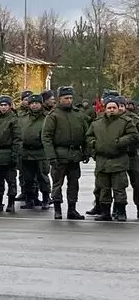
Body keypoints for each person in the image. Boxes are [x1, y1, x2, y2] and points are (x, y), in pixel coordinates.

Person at [85, 95, 138, 221]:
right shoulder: (97, 123)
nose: (112, 110)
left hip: (119, 159)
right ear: (105, 109)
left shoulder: (126, 122)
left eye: (114, 107)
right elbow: (88, 136)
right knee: (104, 189)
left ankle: (120, 212)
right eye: (109, 107)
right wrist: (94, 144)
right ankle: (105, 212)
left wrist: (120, 142)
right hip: (102, 161)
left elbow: (133, 135)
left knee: (119, 188)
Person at [42, 86, 89, 220]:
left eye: (70, 98)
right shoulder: (53, 115)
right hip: (59, 154)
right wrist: (51, 155)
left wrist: (86, 152)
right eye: (66, 98)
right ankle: (57, 209)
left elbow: (86, 134)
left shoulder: (78, 114)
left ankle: (72, 209)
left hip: (74, 155)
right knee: (57, 184)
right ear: (59, 99)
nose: (69, 101)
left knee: (74, 183)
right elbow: (47, 137)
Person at [0, 95, 22, 213]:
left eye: (5, 105)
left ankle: (11, 202)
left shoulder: (13, 120)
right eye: (1, 105)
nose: (3, 108)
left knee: (11, 181)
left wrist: (14, 155)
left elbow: (17, 139)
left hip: (8, 152)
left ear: (10, 106)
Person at [19, 94, 51, 210]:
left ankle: (46, 198)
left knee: (42, 177)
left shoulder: (47, 117)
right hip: (25, 152)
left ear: (41, 104)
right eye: (32, 103)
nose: (34, 105)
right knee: (28, 178)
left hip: (41, 152)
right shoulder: (23, 117)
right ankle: (30, 198)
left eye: (37, 103)